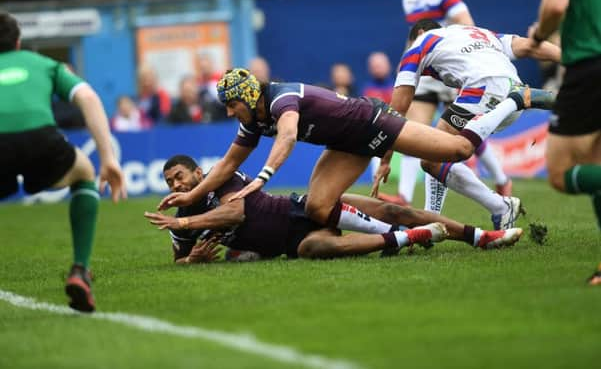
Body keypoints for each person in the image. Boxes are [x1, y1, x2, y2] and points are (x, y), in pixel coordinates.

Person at [157, 67, 540, 235]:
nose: (228, 112)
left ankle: (513, 100)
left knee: (456, 149)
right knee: (317, 208)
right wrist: (191, 195)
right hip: (346, 143)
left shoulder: (280, 98)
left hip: (373, 122)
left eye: (230, 104)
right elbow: (227, 163)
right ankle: (396, 235)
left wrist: (262, 178)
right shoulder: (251, 119)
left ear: (246, 96)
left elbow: (288, 136)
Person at [146, 155, 522, 263]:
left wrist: (194, 218)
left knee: (391, 210)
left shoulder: (221, 176)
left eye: (180, 177)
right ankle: (407, 240)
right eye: (170, 183)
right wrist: (192, 259)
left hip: (302, 209)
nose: (176, 186)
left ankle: (481, 236)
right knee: (316, 249)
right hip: (295, 242)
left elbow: (236, 214)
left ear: (197, 173)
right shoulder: (182, 221)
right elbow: (177, 258)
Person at [0, 11, 126, 312]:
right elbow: (89, 98)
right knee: (84, 171)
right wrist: (108, 158)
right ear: (18, 42)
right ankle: (80, 270)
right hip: (41, 140)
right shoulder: (44, 64)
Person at [386, 19, 559, 229]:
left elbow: (397, 109)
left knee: (433, 153)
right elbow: (527, 45)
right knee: (437, 153)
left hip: (483, 90)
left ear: (420, 32)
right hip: (511, 88)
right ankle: (431, 219)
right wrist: (569, 58)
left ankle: (499, 207)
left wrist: (385, 159)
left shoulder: (418, 45)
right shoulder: (478, 33)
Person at [400, 0, 512, 209]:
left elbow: (467, 24)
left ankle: (501, 179)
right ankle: (404, 198)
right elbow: (416, 38)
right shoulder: (408, 0)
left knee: (461, 132)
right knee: (414, 129)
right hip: (429, 72)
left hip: (452, 70)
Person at [530, 0, 601, 285]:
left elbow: (556, 4)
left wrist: (540, 34)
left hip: (590, 67)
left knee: (561, 173)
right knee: (596, 164)